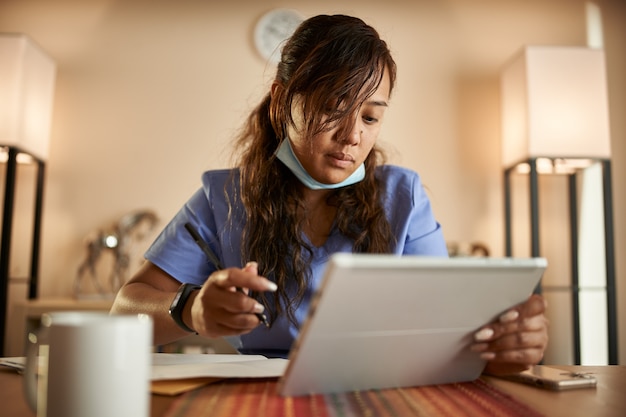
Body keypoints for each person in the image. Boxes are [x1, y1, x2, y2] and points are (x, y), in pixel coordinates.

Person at [111, 14, 548, 376]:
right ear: (282, 101)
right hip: (262, 393)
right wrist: (190, 308)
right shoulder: (225, 197)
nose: (353, 135)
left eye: (372, 116)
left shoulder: (402, 198)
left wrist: (506, 346)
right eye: (333, 107)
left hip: (376, 392)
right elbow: (125, 309)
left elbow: (448, 334)